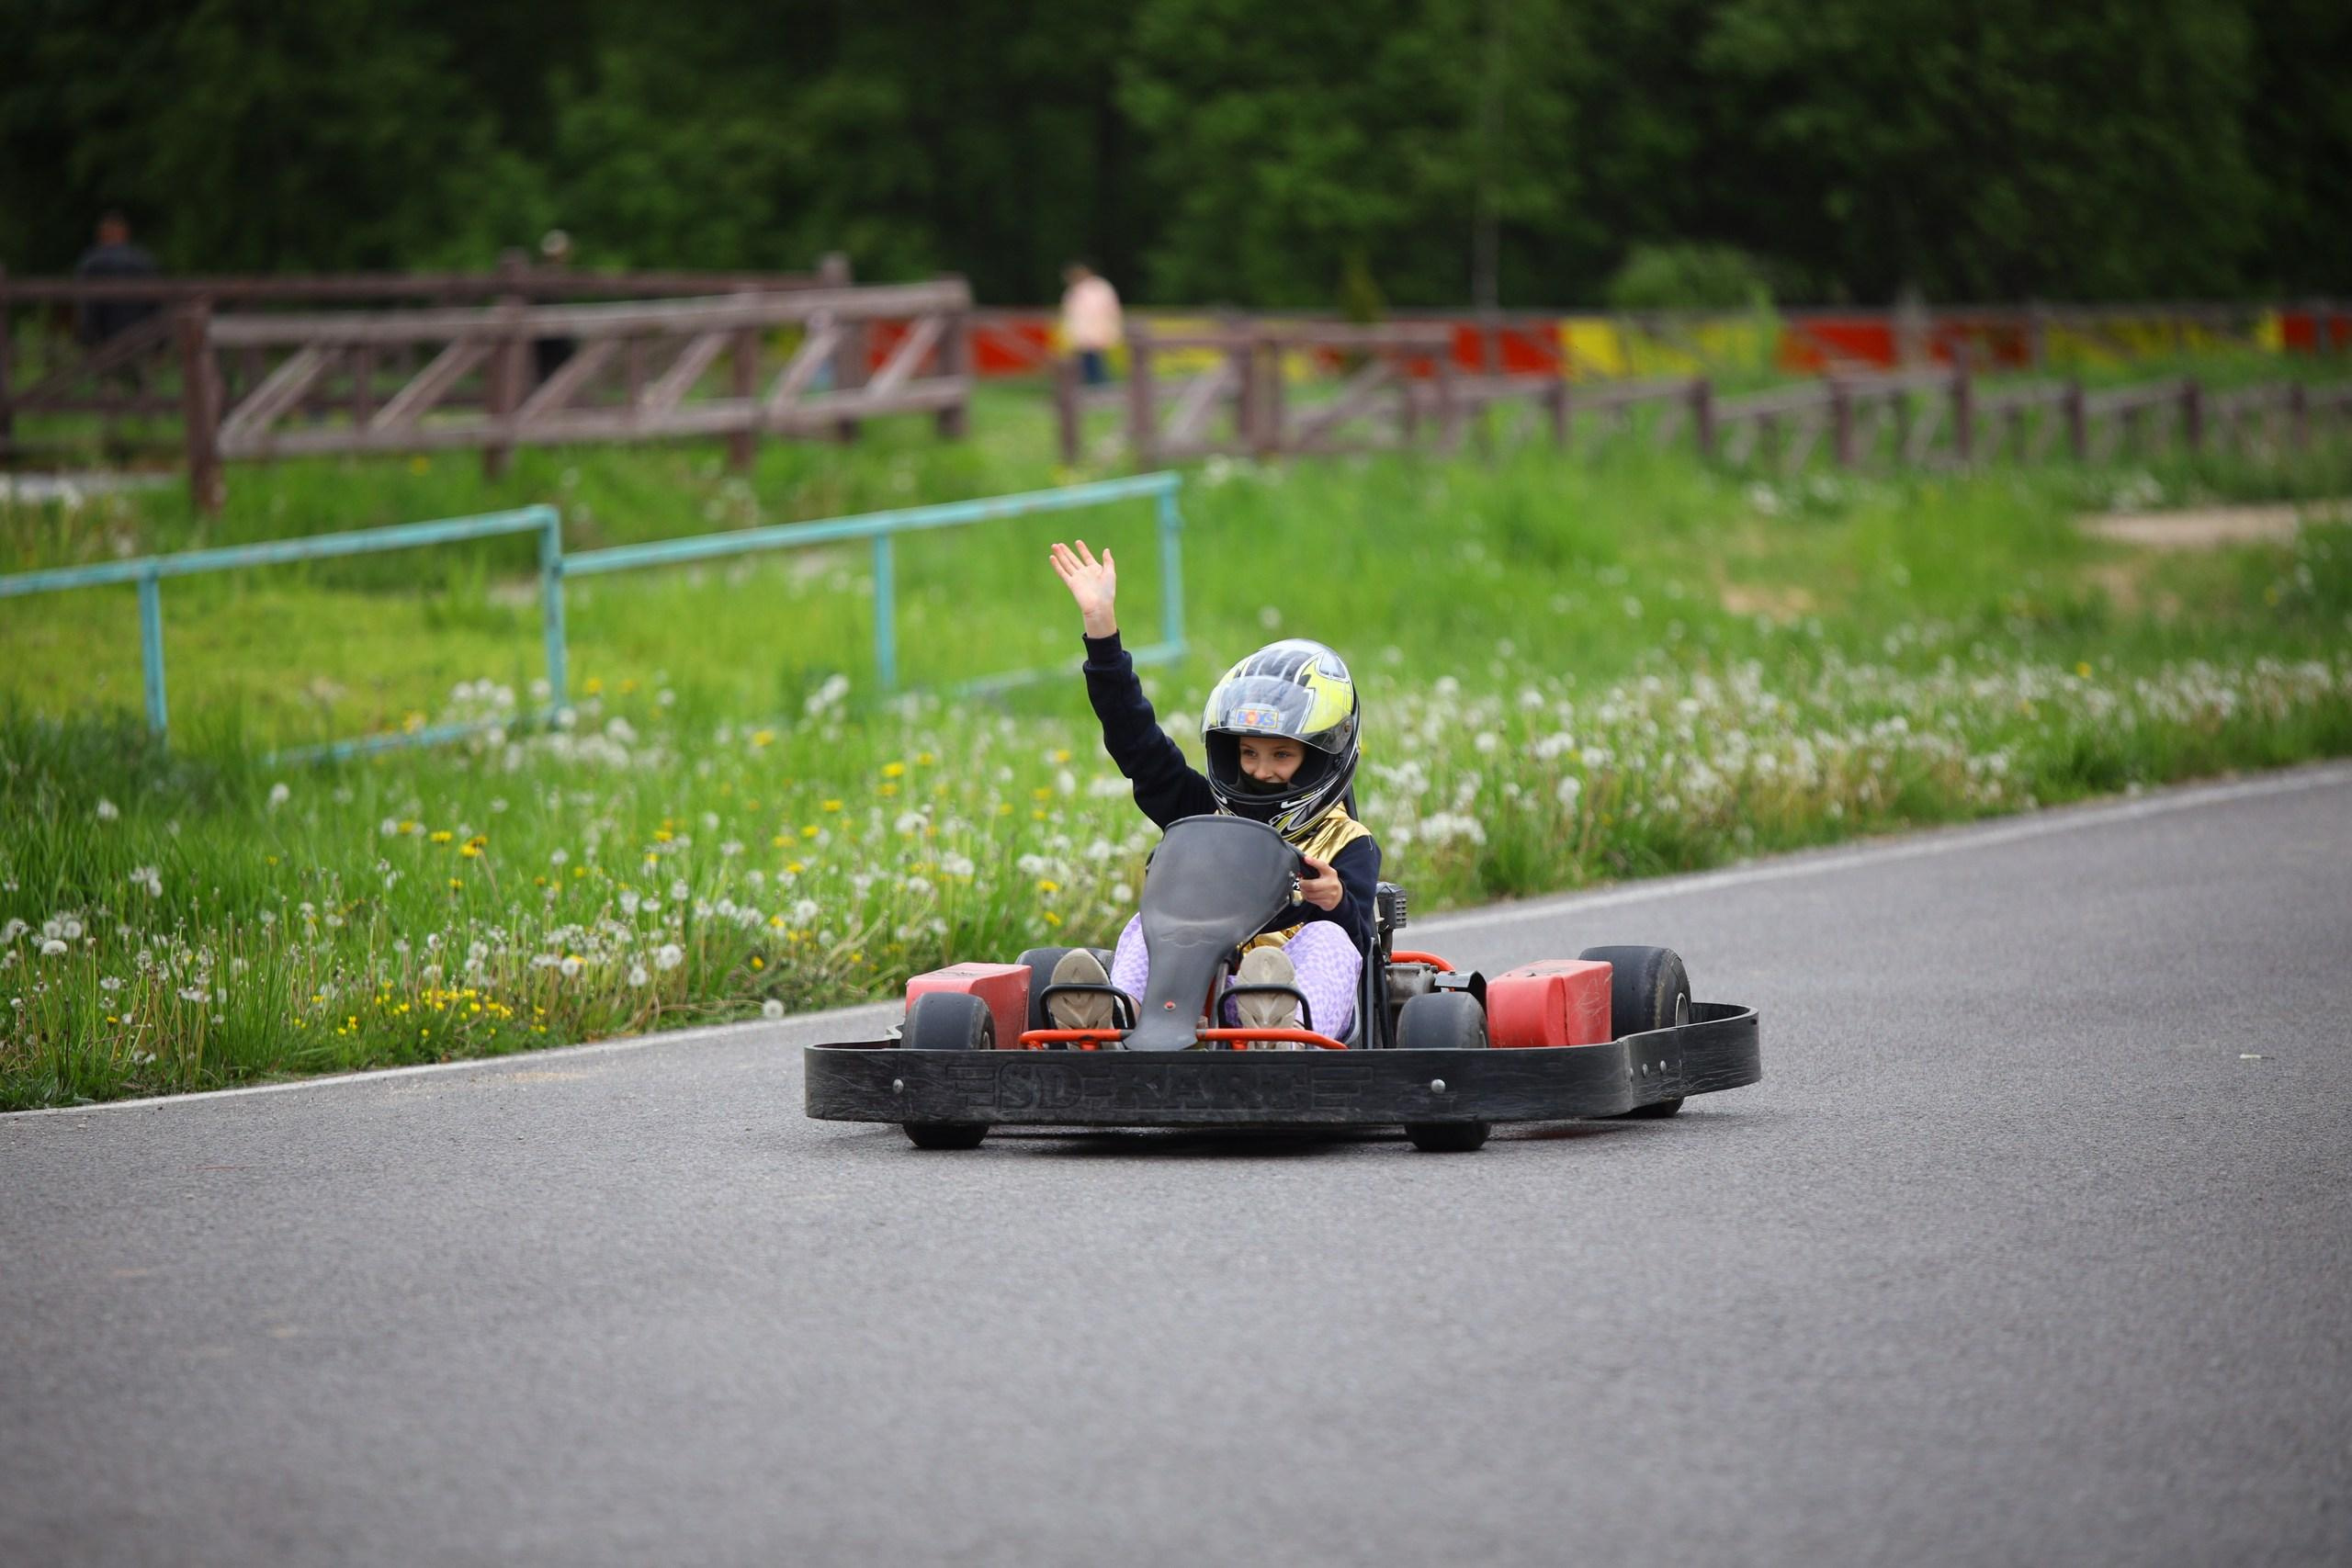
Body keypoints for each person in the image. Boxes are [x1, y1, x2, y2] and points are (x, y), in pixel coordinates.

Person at [1046, 537, 1381, 1045]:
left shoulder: (1347, 842)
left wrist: (1335, 902)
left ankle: (1280, 1030)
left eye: (1281, 755)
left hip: (1310, 999)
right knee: (1148, 924)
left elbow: (1362, 952)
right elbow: (1137, 744)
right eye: (1249, 753)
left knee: (1329, 938)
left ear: (1321, 756)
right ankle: (1113, 1021)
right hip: (1204, 992)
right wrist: (1101, 628)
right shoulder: (1206, 811)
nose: (1262, 770)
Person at [72, 211, 160, 347]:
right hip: (140, 339)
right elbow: (155, 306)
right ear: (125, 232)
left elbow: (86, 307)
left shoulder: (91, 262)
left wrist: (86, 339)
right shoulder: (143, 261)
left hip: (105, 340)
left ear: (102, 233)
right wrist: (159, 343)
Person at [1058, 262, 1123, 387]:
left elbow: (1109, 310)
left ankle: (1099, 384)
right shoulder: (1074, 291)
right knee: (1086, 360)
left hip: (1096, 330)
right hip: (1082, 333)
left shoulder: (1100, 288)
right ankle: (1092, 384)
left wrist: (1110, 327)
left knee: (1095, 359)